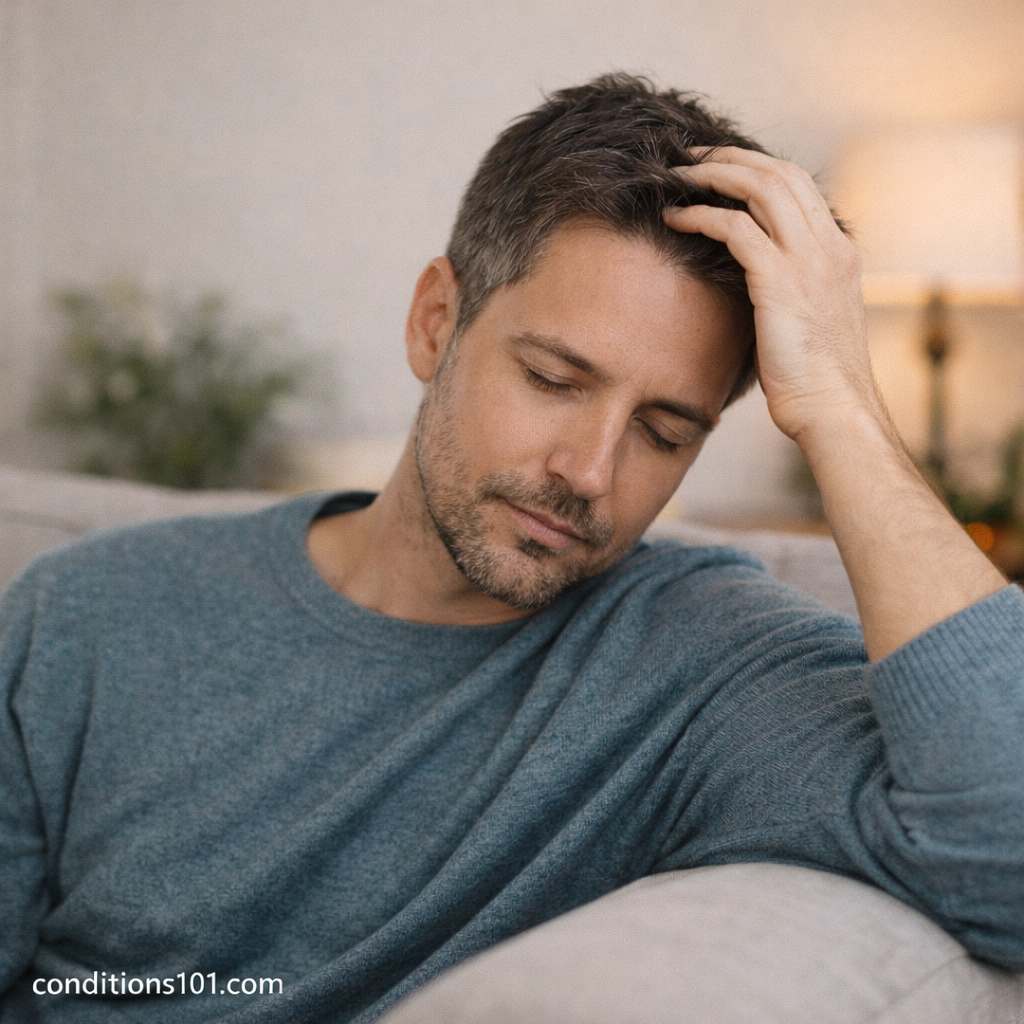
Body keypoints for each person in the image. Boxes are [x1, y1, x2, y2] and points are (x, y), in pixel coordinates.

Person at [1, 74, 1021, 1024]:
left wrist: (840, 405)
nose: (588, 469)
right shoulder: (84, 613)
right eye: (552, 379)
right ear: (435, 322)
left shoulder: (701, 666)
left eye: (665, 432)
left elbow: (1005, 858)